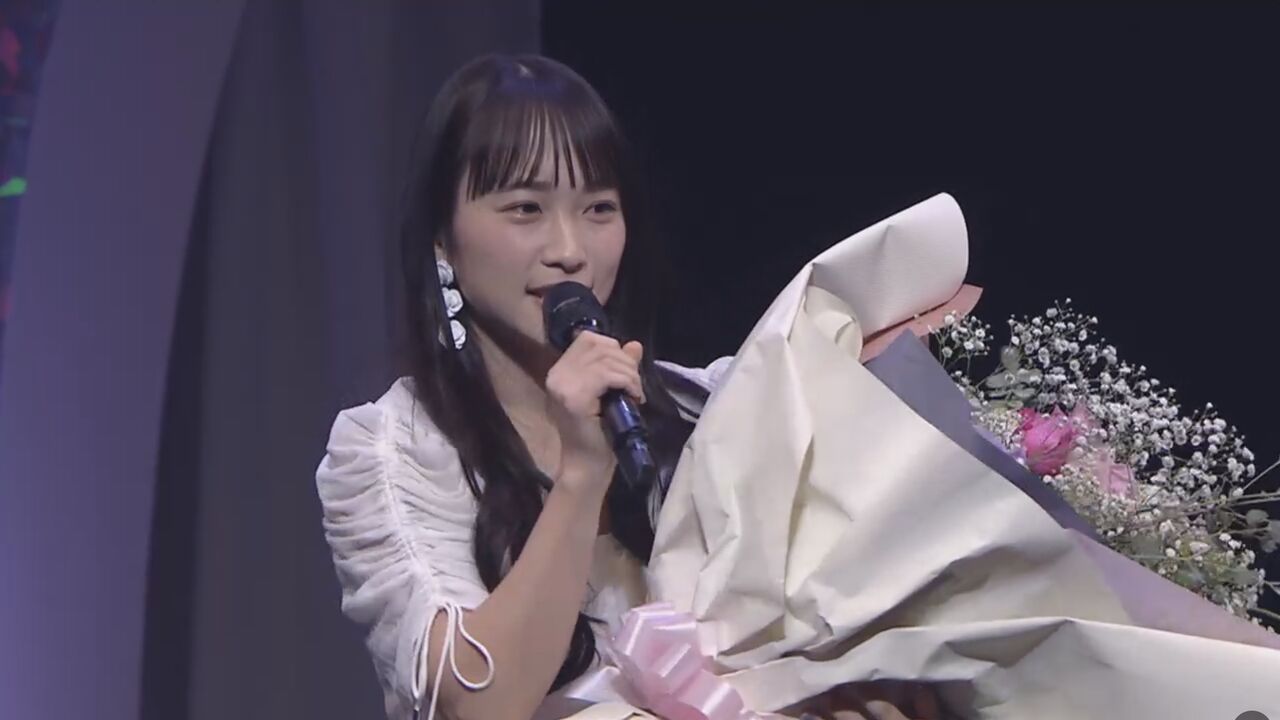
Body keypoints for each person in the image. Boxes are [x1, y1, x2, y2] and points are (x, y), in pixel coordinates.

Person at [315, 53, 939, 720]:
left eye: (598, 208)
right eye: (525, 208)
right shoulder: (393, 451)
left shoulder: (711, 406)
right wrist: (583, 473)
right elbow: (479, 703)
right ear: (443, 239)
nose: (569, 249)